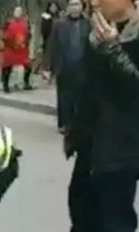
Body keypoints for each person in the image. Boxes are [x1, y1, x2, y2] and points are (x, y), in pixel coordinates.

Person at [61, 0, 139, 232]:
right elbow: (85, 85)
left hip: (124, 141)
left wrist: (113, 50)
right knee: (81, 205)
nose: (94, 2)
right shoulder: (99, 33)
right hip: (92, 136)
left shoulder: (129, 36)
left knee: (114, 215)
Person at [50, 0, 89, 133]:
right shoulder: (59, 24)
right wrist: (50, 68)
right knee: (64, 97)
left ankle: (79, 123)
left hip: (83, 67)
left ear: (82, 7)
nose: (74, 7)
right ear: (68, 7)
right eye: (72, 4)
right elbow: (52, 46)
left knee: (81, 97)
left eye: (77, 4)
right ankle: (65, 124)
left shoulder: (88, 24)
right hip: (64, 66)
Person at [1, 6, 32, 93]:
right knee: (7, 67)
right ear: (14, 12)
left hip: (22, 49)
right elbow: (4, 34)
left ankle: (26, 83)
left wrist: (25, 40)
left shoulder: (25, 23)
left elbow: (29, 34)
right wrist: (9, 41)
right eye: (16, 11)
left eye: (20, 11)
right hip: (10, 48)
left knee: (28, 66)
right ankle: (5, 85)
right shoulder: (9, 22)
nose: (18, 13)